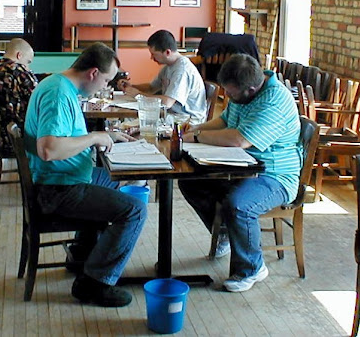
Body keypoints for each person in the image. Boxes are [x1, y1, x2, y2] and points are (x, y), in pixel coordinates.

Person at [24, 42, 147, 307]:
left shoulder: (59, 85)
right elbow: (48, 149)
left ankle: (81, 253)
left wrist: (108, 136)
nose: (105, 87)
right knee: (135, 211)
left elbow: (63, 138)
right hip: (58, 188)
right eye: (106, 80)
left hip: (64, 179)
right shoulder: (58, 94)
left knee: (111, 178)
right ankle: (94, 283)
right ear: (93, 73)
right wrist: (93, 137)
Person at [178, 54, 302, 292]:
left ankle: (252, 268)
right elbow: (224, 121)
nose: (229, 97)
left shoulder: (274, 101)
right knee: (190, 180)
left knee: (239, 206)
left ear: (252, 89)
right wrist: (194, 129)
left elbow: (239, 139)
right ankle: (225, 232)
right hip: (240, 167)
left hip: (274, 175)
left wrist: (198, 136)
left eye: (232, 94)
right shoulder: (244, 90)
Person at [118, 29, 207, 125]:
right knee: (127, 121)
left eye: (154, 54)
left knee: (130, 124)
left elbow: (167, 103)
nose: (151, 58)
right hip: (173, 115)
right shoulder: (168, 67)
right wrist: (131, 87)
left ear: (167, 52)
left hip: (187, 121)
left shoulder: (182, 70)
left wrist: (139, 95)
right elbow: (151, 87)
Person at [0, 38, 38, 151]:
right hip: (16, 136)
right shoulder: (20, 73)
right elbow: (40, 100)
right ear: (19, 55)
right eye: (28, 62)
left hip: (1, 134)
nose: (28, 66)